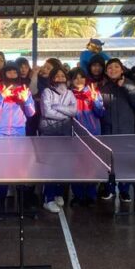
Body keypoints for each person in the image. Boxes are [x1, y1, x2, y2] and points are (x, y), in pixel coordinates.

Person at [0, 61, 36, 211]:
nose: (12, 74)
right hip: (0, 132)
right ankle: (0, 200)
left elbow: (31, 113)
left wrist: (26, 100)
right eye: (9, 72)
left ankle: (22, 200)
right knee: (2, 167)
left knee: (20, 166)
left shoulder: (24, 90)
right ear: (4, 73)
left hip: (19, 131)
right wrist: (1, 96)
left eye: (15, 72)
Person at [99, 58, 135, 202]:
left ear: (122, 69)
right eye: (110, 68)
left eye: (116, 67)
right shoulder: (103, 87)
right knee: (109, 161)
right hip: (108, 131)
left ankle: (125, 190)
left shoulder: (130, 83)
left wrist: (126, 86)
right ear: (106, 71)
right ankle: (109, 188)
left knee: (126, 160)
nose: (113, 70)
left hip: (126, 130)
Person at [39, 65, 77, 213]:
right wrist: (66, 115)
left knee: (62, 164)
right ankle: (48, 199)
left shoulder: (69, 93)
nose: (60, 78)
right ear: (52, 78)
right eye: (57, 76)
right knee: (50, 165)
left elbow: (74, 110)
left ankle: (57, 193)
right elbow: (46, 112)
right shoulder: (46, 92)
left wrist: (57, 106)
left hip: (65, 132)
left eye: (63, 76)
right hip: (49, 132)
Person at [68, 68, 105, 206]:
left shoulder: (93, 92)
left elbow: (101, 113)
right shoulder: (68, 94)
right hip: (75, 134)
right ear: (71, 80)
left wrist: (95, 101)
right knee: (75, 165)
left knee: (92, 165)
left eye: (81, 77)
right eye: (75, 77)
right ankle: (77, 195)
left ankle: (91, 195)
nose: (79, 80)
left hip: (93, 133)